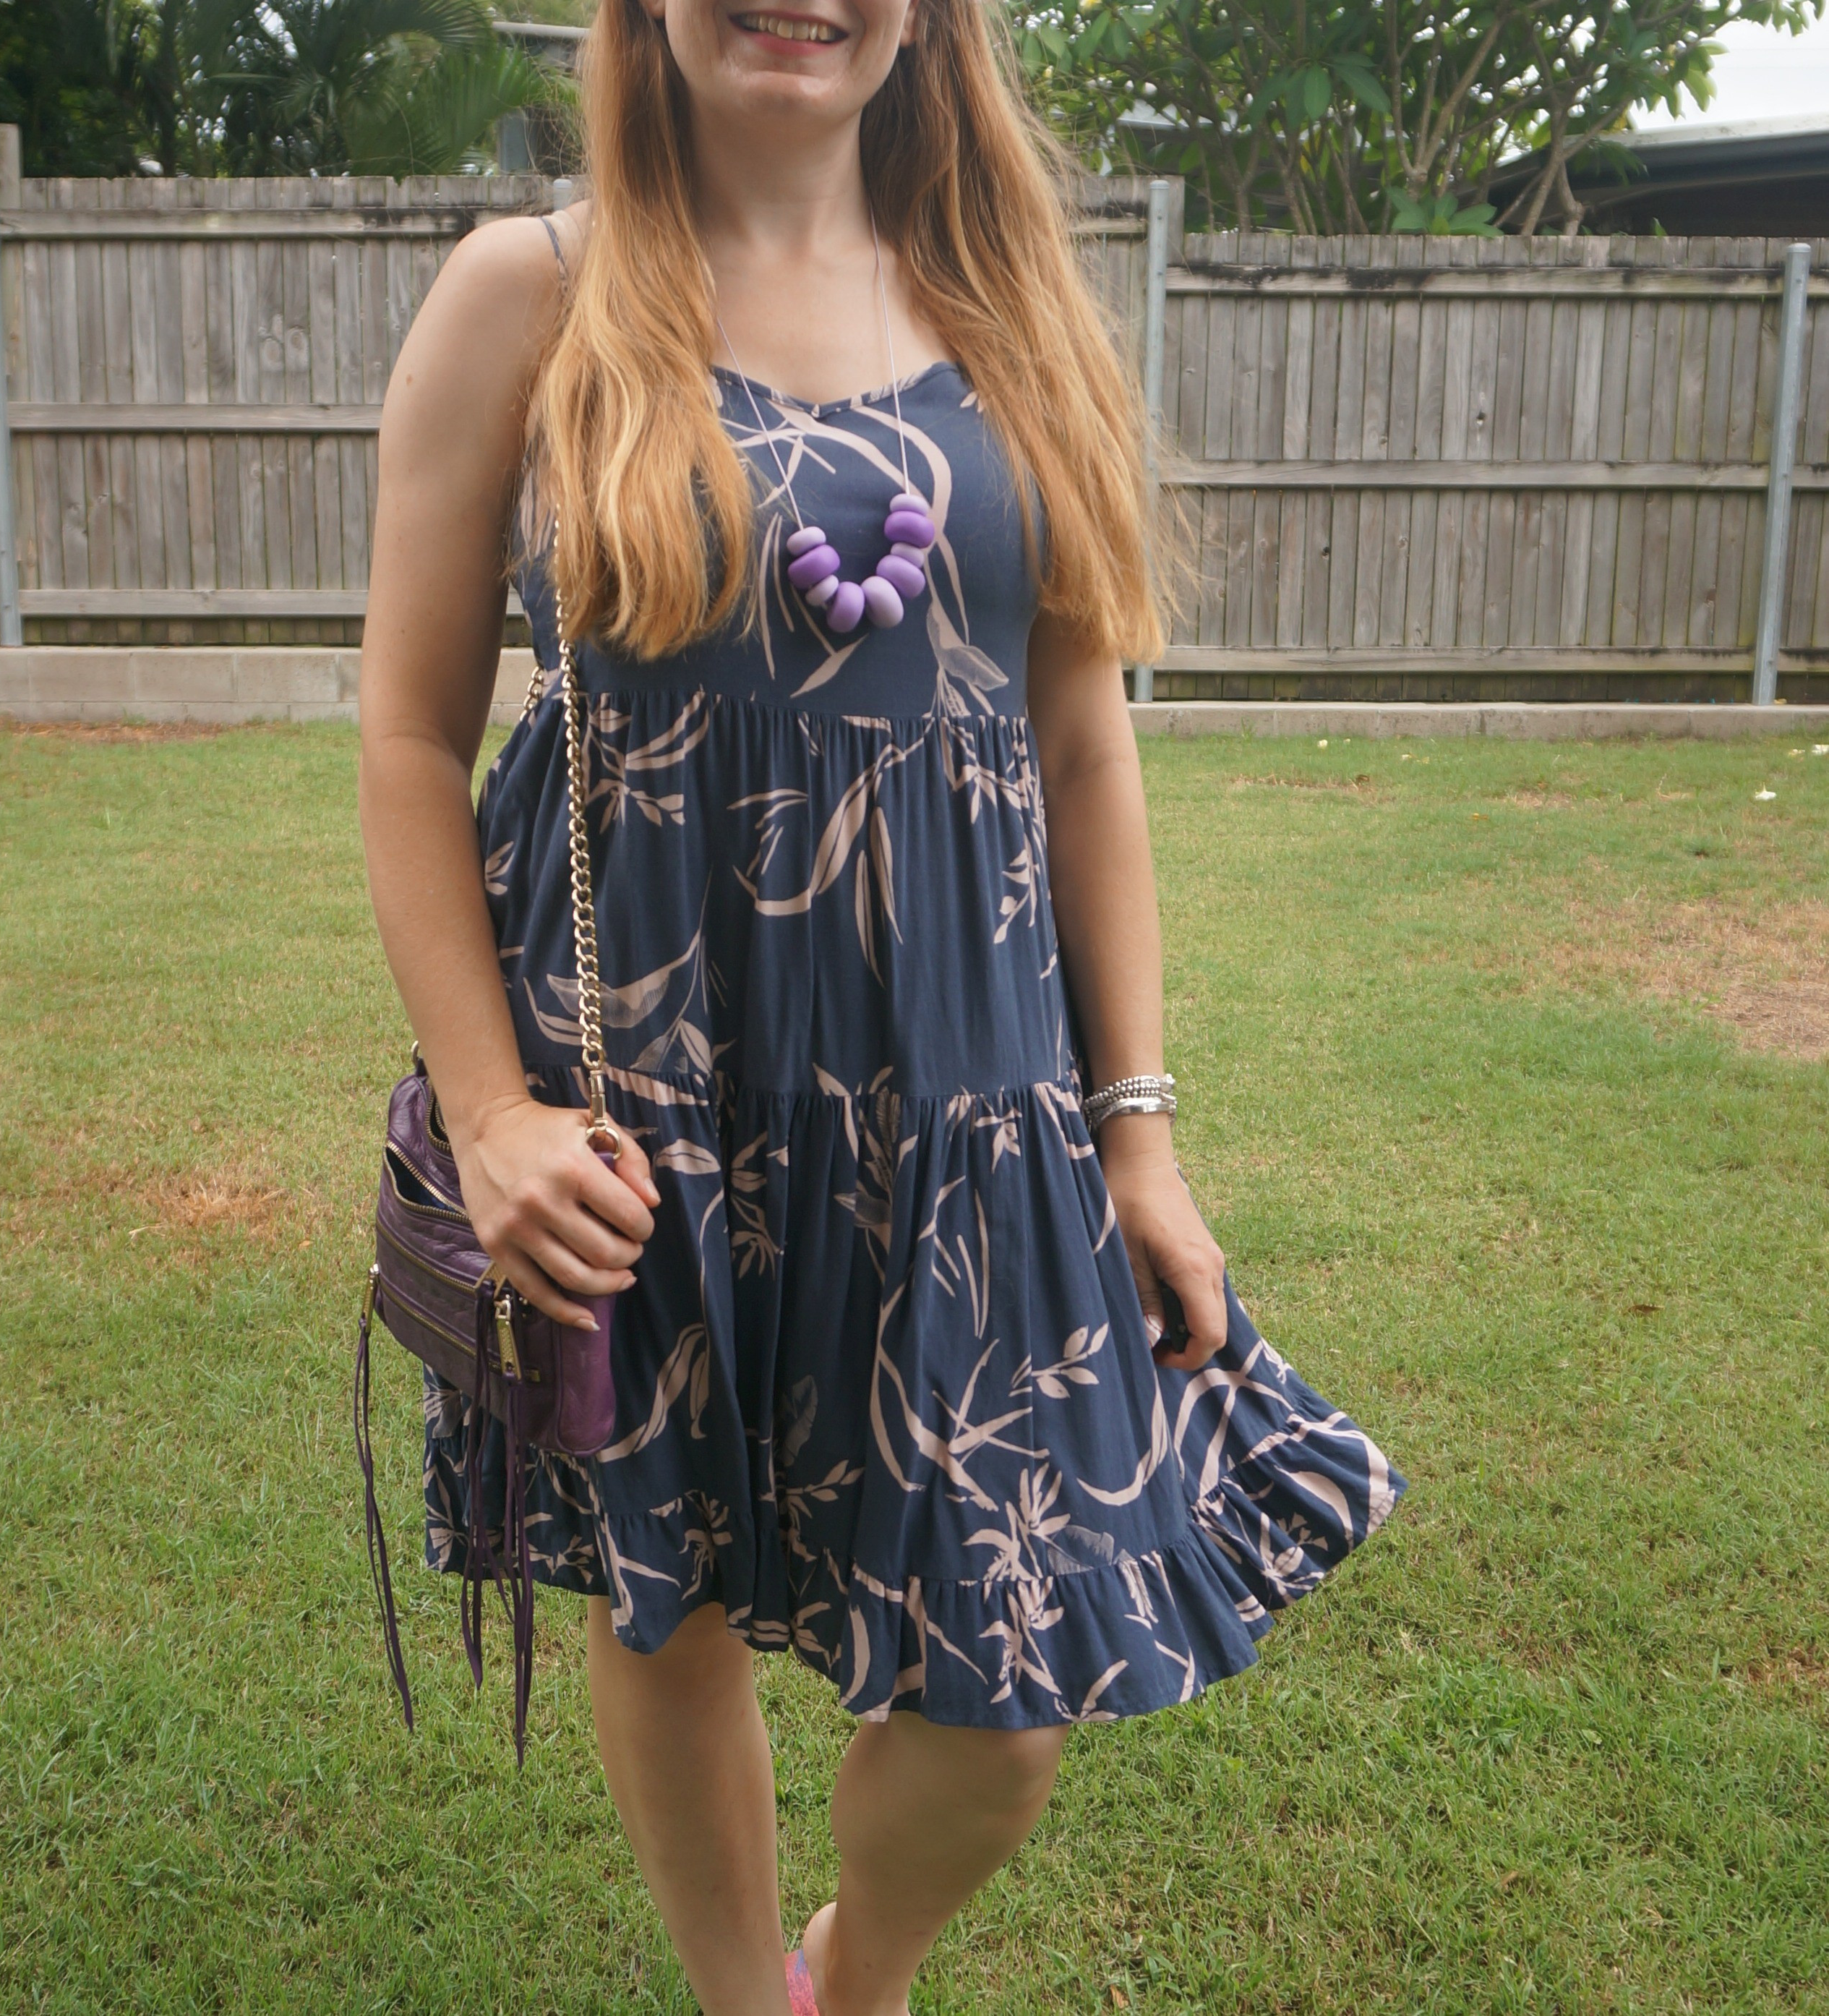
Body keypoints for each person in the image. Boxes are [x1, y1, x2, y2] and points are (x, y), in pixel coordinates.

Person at [358, 1, 1403, 2008]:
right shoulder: (533, 294)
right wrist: (491, 1116)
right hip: (639, 1099)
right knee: (661, 1606)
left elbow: (1081, 750)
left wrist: (1141, 1129)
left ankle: (864, 1972)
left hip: (968, 1108)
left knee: (1000, 1704)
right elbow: (409, 739)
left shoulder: (1007, 306)